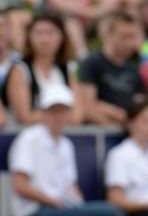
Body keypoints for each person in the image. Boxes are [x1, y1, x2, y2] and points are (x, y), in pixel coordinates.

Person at [8, 84, 123, 216]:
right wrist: (54, 202)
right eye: (54, 110)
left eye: (63, 110)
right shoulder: (29, 138)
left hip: (59, 208)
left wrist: (79, 208)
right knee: (109, 212)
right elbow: (20, 186)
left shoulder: (66, 144)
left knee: (108, 211)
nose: (59, 116)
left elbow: (71, 186)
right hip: (35, 210)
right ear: (44, 112)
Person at [3, 12, 82, 125]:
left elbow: (77, 116)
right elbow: (25, 117)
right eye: (39, 33)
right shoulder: (20, 70)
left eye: (50, 33)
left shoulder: (68, 69)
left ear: (62, 37)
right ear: (29, 37)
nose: (45, 39)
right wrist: (61, 115)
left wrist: (45, 116)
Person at [79, 12, 147, 126]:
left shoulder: (133, 70)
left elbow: (141, 108)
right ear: (108, 34)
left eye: (132, 37)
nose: (129, 43)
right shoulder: (92, 63)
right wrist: (119, 119)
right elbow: (87, 107)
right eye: (124, 37)